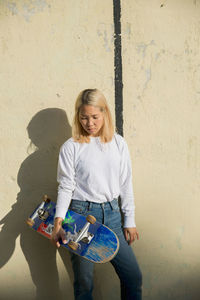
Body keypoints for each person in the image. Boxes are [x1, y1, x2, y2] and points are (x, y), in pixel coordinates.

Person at [51, 88, 142, 300]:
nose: (89, 123)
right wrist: (58, 222)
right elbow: (65, 186)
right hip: (80, 217)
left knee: (133, 277)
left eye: (94, 117)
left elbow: (126, 183)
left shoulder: (118, 143)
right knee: (84, 283)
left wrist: (129, 219)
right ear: (77, 117)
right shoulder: (71, 147)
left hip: (112, 216)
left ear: (105, 113)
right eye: (84, 117)